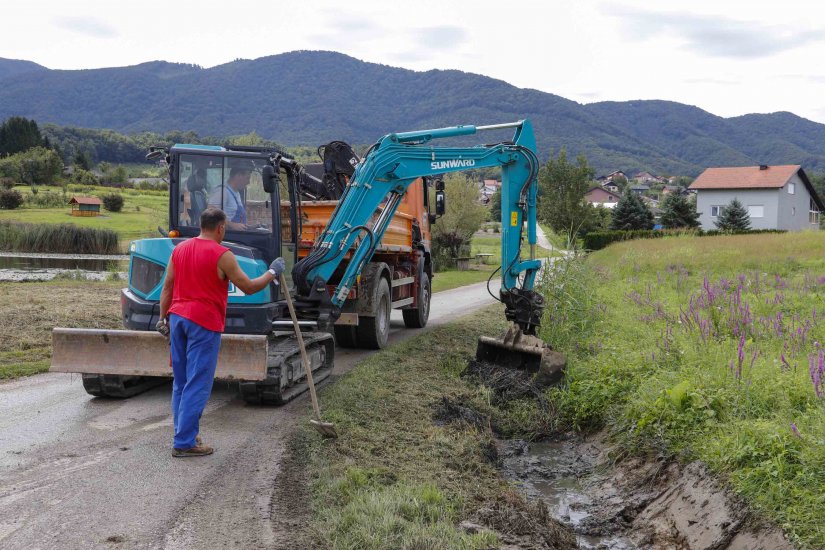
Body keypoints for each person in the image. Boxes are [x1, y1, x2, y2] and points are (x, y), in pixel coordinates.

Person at [157, 206, 285, 457]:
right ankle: (184, 443)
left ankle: (186, 433)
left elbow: (167, 287)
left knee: (181, 382)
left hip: (177, 319)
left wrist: (163, 319)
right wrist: (272, 272)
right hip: (203, 322)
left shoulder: (179, 250)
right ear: (221, 228)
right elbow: (248, 287)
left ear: (201, 225)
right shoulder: (222, 254)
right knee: (198, 382)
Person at [208, 164, 252, 230]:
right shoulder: (222, 191)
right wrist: (232, 225)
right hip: (228, 235)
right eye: (247, 178)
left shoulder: (236, 193)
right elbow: (210, 214)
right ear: (239, 176)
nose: (248, 182)